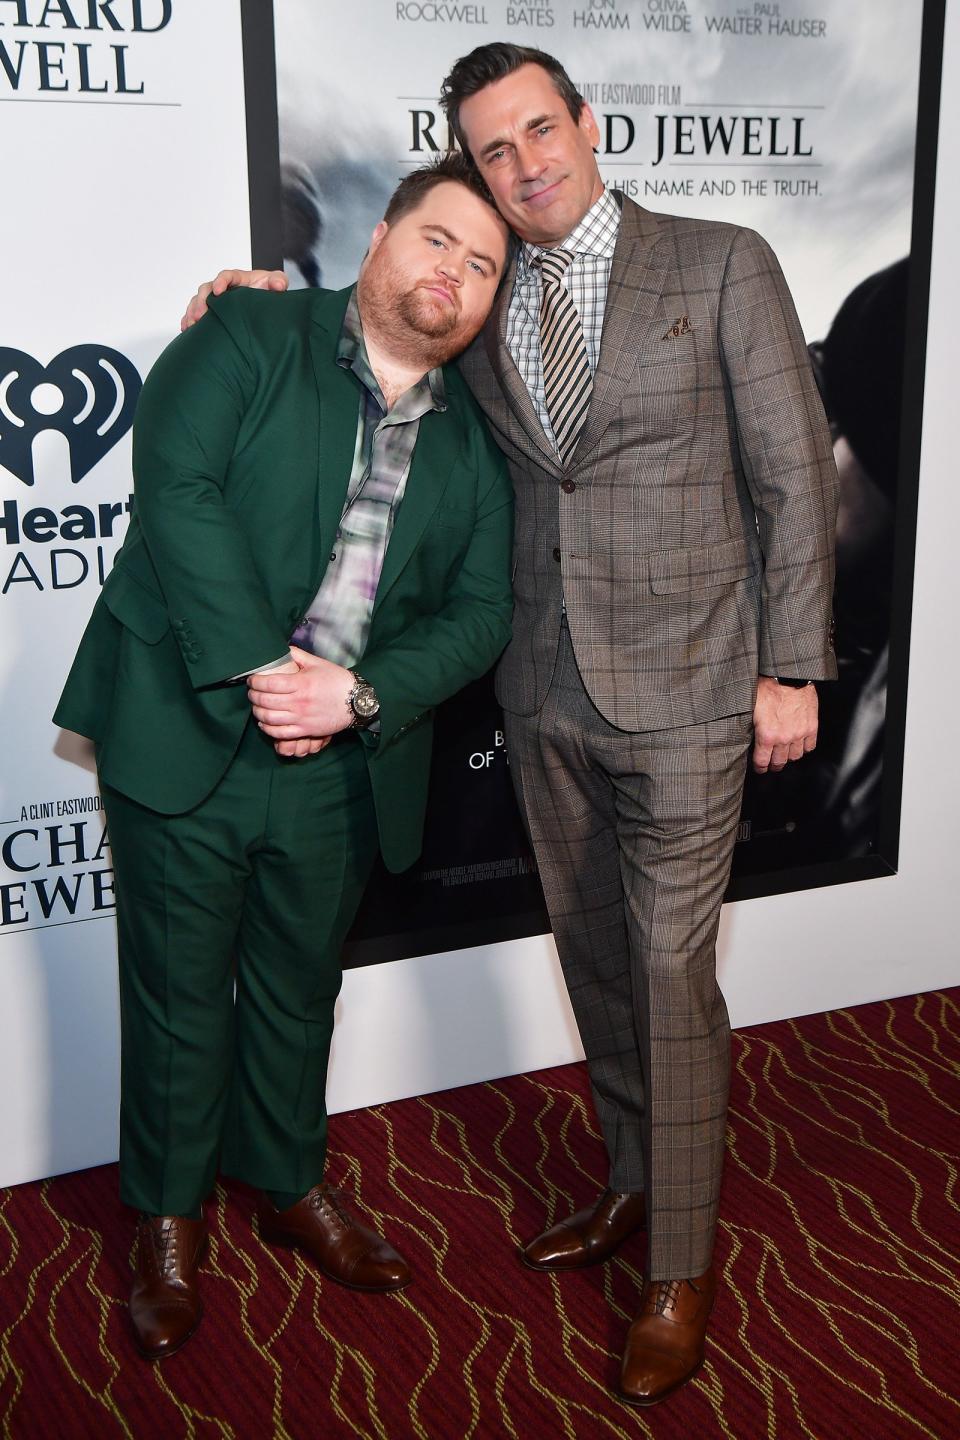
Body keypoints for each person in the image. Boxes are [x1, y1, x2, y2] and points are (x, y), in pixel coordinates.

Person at [182, 42, 837, 1407]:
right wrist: (249, 306)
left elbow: (791, 478)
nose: (527, 164)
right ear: (473, 168)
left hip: (698, 687)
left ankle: (679, 1264)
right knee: (596, 960)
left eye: (542, 130)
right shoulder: (479, 302)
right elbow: (378, 347)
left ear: (588, 125)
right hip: (542, 692)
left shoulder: (721, 261)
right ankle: (629, 1179)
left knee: (669, 973)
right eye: (494, 150)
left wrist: (794, 670)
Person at [54, 153, 514, 1362]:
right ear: (375, 245)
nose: (452, 274)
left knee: (301, 987)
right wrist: (270, 671)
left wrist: (352, 694)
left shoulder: (476, 449)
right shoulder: (250, 333)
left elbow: (477, 616)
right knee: (175, 990)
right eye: (436, 241)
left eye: (481, 266)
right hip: (189, 727)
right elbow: (178, 486)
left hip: (344, 761)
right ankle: (164, 1218)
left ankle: (288, 1179)